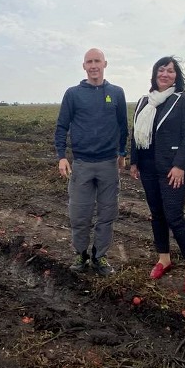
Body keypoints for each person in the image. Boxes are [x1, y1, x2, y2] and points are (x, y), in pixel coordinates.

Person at [129, 57, 185, 294]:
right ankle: (164, 259)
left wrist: (180, 165)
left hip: (172, 169)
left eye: (170, 71)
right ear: (154, 73)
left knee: (174, 216)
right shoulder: (143, 101)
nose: (165, 74)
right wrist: (134, 162)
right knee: (157, 215)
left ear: (176, 76)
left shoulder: (183, 101)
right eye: (161, 69)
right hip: (148, 167)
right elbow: (135, 133)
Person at [54, 48, 129, 276]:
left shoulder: (116, 93)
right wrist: (61, 157)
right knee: (79, 213)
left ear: (105, 63)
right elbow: (61, 127)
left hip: (108, 163)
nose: (94, 65)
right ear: (84, 66)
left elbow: (123, 126)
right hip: (82, 164)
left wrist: (122, 152)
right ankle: (80, 254)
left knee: (107, 213)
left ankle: (100, 256)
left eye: (97, 61)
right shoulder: (73, 94)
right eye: (89, 62)